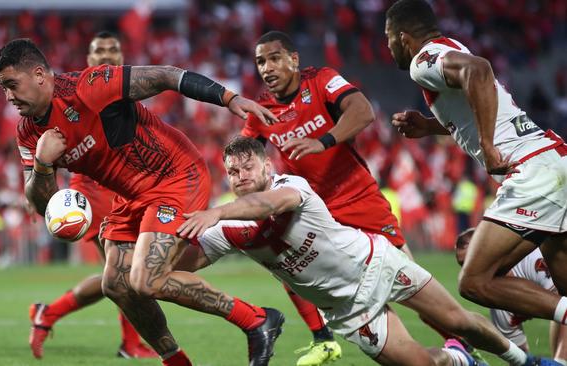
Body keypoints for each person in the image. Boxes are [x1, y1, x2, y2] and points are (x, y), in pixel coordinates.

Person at [0, 38, 283, 366]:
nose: (9, 97)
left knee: (146, 280)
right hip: (131, 196)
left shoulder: (88, 87)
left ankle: (257, 320)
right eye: (3, 88)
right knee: (116, 284)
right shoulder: (28, 133)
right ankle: (176, 361)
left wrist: (228, 98)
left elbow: (166, 75)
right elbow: (41, 201)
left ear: (40, 74)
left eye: (12, 85)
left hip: (174, 175)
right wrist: (44, 165)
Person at [175, 136, 558, 366]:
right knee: (421, 364)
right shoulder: (228, 228)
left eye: (248, 167)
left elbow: (271, 205)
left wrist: (217, 210)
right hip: (347, 309)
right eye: (233, 172)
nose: (241, 177)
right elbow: (186, 262)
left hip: (375, 262)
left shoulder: (290, 184)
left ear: (266, 166)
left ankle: (524, 361)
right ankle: (457, 358)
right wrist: (153, 250)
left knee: (457, 319)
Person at [385, 0, 567, 327]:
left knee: (475, 281)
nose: (388, 48)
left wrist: (487, 145)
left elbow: (479, 69)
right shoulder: (452, 46)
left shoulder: (422, 61)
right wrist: (430, 125)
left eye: (387, 39)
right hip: (554, 160)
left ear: (403, 38)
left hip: (531, 172)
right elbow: (479, 103)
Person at [240, 30, 408, 366]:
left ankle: (460, 341)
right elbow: (245, 153)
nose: (267, 67)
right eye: (261, 61)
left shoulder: (321, 81)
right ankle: (323, 340)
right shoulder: (263, 111)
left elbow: (362, 112)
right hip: (314, 210)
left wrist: (324, 141)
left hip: (356, 198)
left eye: (274, 58)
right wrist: (241, 172)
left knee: (407, 284)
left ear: (294, 59)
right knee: (282, 256)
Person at [27, 31, 156, 360]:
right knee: (123, 272)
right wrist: (38, 184)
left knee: (119, 274)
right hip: (94, 188)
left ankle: (49, 313)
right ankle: (129, 344)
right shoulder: (78, 93)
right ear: (89, 60)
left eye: (113, 50)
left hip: (124, 186)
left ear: (122, 57)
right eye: (99, 51)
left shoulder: (126, 91)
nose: (107, 56)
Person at [455, 228, 567, 365]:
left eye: (472, 259)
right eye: (463, 264)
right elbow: (521, 358)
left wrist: (560, 361)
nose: (469, 268)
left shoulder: (534, 259)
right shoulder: (499, 309)